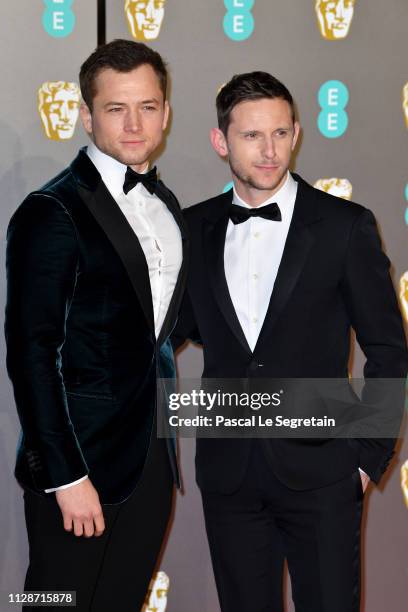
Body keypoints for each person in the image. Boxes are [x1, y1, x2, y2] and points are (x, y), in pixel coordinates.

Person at [172, 71, 408, 611]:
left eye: (280, 133)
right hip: (230, 476)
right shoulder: (192, 229)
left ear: (297, 133)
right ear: (221, 141)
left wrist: (367, 456)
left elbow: (390, 350)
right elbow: (174, 328)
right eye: (252, 136)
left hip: (324, 474)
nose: (269, 150)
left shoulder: (344, 226)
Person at [5, 38, 188, 612]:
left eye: (148, 106)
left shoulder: (167, 204)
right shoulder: (52, 209)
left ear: (166, 111)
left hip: (153, 459)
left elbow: (154, 328)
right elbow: (31, 353)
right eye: (116, 108)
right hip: (78, 465)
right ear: (86, 115)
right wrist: (65, 476)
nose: (135, 124)